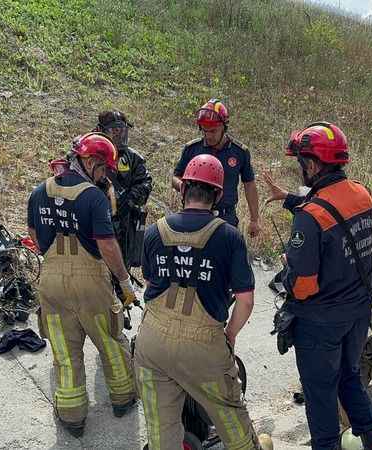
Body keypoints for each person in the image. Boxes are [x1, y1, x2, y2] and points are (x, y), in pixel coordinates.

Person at [135, 154, 272, 450]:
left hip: (152, 343)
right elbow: (246, 300)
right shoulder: (229, 236)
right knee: (231, 419)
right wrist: (230, 335)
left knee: (161, 429)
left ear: (183, 189)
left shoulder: (154, 231)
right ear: (219, 195)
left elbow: (149, 281)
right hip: (204, 349)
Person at [277, 122, 372, 450]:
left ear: (312, 164)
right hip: (357, 311)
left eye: (301, 163)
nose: (300, 169)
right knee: (349, 377)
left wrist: (288, 266)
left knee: (320, 393)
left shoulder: (308, 217)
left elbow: (304, 287)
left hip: (321, 322)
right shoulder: (361, 193)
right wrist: (289, 200)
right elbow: (330, 209)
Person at [26, 132, 138, 436]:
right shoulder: (93, 197)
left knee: (64, 351)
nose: (104, 176)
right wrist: (125, 282)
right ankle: (123, 399)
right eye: (103, 169)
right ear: (89, 161)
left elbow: (34, 236)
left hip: (51, 282)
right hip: (91, 283)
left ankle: (73, 416)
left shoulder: (39, 192)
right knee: (110, 342)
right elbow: (108, 245)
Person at [172, 99, 261, 237]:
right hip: (194, 215)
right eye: (204, 131)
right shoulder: (192, 149)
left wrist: (254, 219)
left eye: (213, 131)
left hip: (225, 217)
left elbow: (249, 184)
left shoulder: (239, 152)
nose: (208, 136)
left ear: (224, 127)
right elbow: (176, 177)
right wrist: (185, 188)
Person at [94, 110, 153, 269]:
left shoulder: (132, 158)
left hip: (123, 223)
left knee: (121, 266)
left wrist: (130, 199)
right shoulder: (88, 152)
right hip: (93, 219)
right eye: (115, 131)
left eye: (122, 131)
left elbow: (145, 182)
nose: (119, 136)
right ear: (101, 131)